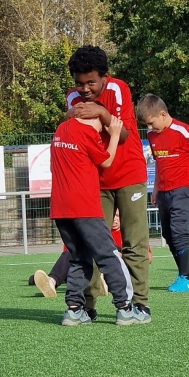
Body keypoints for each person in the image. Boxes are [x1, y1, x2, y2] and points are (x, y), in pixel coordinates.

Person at [62, 46, 151, 323]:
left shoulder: (118, 89)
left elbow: (122, 135)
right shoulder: (72, 98)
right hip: (94, 181)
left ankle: (139, 304)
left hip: (129, 174)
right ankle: (86, 306)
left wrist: (101, 112)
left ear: (105, 77)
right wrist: (71, 115)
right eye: (79, 83)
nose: (84, 89)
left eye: (91, 82)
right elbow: (71, 127)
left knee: (134, 243)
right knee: (91, 245)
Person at [49, 109, 145, 325]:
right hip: (84, 207)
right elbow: (106, 161)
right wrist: (114, 135)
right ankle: (125, 309)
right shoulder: (87, 132)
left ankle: (74, 310)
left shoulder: (61, 129)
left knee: (79, 258)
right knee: (109, 255)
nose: (105, 125)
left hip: (60, 209)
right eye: (103, 121)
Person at [137, 93, 189, 292]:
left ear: (163, 114)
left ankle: (186, 278)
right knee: (168, 234)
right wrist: (155, 189)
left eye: (151, 123)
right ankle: (186, 271)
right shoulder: (152, 135)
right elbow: (159, 162)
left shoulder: (182, 130)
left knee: (179, 230)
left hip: (185, 188)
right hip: (164, 190)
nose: (150, 128)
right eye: (146, 125)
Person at [29, 213, 125, 297]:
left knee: (112, 254)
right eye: (112, 215)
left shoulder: (125, 234)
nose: (114, 219)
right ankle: (51, 281)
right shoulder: (98, 231)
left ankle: (100, 281)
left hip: (108, 266)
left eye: (117, 216)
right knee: (72, 253)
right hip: (85, 265)